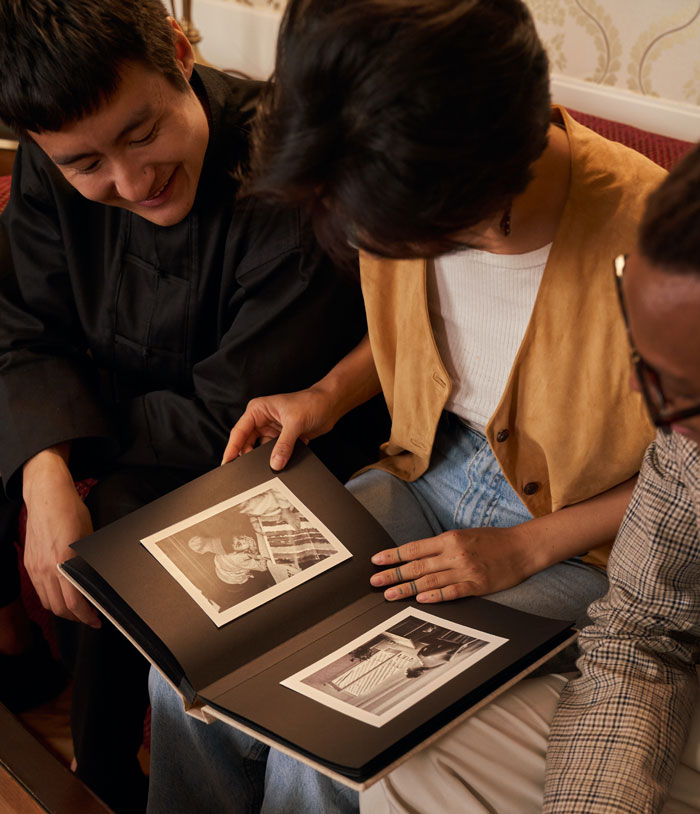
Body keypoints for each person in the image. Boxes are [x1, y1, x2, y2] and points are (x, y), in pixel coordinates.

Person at [146, 1, 668, 811]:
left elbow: (692, 481)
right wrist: (325, 396)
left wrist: (526, 547)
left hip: (584, 543)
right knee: (185, 663)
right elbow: (439, 334)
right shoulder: (383, 177)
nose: (373, 249)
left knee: (320, 741)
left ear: (482, 196)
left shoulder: (660, 246)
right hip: (425, 470)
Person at [0, 1, 385, 810]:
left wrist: (74, 461)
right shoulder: (50, 162)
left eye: (143, 134)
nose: (132, 183)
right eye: (85, 166)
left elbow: (228, 412)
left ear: (179, 52)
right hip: (109, 417)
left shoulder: (290, 169)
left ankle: (103, 771)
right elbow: (27, 326)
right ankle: (21, 676)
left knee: (125, 520)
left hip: (269, 444)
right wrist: (46, 469)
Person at [361, 140, 700, 814]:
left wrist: (531, 544)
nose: (667, 428)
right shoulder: (684, 428)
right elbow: (641, 631)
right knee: (398, 766)